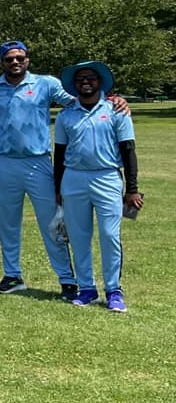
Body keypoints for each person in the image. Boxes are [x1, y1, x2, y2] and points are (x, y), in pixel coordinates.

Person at [0, 40, 79, 298]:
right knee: (8, 223)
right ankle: (12, 275)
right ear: (2, 62)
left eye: (20, 58)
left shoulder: (45, 84)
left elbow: (74, 102)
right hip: (5, 163)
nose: (15, 62)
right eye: (9, 59)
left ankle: (67, 279)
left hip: (38, 163)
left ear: (27, 59)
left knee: (52, 223)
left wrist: (112, 100)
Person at [54, 61, 141, 313]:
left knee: (110, 235)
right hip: (73, 178)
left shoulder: (116, 110)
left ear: (99, 82)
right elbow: (59, 154)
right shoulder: (66, 114)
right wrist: (57, 187)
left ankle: (114, 290)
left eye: (90, 77)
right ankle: (87, 289)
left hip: (107, 178)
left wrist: (132, 189)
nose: (85, 82)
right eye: (80, 79)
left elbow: (128, 151)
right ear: (75, 85)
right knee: (79, 237)